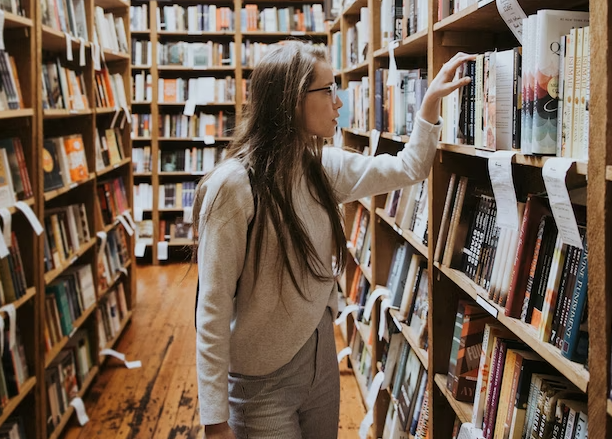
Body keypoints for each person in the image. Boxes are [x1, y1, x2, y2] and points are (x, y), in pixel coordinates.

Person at [194, 41, 472, 439]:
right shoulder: (234, 187)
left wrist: (427, 106)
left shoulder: (324, 167)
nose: (339, 101)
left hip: (320, 361)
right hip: (260, 382)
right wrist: (214, 419)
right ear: (293, 101)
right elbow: (213, 306)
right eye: (328, 90)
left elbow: (409, 167)